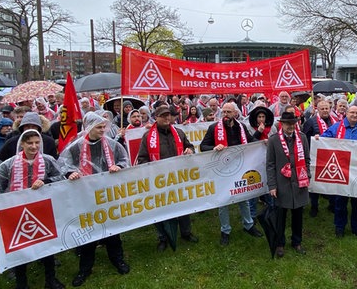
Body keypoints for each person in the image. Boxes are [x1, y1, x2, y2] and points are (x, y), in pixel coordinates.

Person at [0, 130, 65, 289]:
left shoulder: (47, 161)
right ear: (22, 144)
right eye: (29, 143)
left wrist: (45, 181)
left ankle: (51, 279)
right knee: (20, 248)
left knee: (47, 243)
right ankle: (21, 283)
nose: (34, 146)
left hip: (42, 209)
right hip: (17, 211)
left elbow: (61, 178)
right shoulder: (10, 164)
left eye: (36, 142)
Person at [59, 112, 130, 287]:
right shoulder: (75, 147)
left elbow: (124, 159)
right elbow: (63, 164)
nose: (103, 130)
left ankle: (118, 259)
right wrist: (70, 173)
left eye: (104, 126)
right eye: (99, 127)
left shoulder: (112, 144)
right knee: (88, 232)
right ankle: (85, 268)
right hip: (85, 195)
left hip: (107, 194)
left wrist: (118, 166)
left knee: (112, 229)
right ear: (89, 127)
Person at [136, 106, 199, 252]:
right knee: (161, 210)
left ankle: (186, 232)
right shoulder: (147, 137)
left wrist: (190, 149)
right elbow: (142, 159)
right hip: (159, 181)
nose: (166, 118)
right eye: (163, 116)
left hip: (179, 178)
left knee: (184, 207)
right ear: (156, 118)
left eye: (168, 116)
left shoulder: (179, 132)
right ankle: (163, 238)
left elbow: (189, 146)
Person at [199, 102, 263, 245]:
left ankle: (249, 225)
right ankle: (225, 230)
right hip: (222, 169)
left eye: (229, 112)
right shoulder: (214, 128)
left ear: (235, 113)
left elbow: (251, 141)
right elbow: (203, 146)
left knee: (243, 197)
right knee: (223, 201)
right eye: (224, 112)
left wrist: (261, 142)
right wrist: (215, 147)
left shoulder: (241, 126)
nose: (226, 115)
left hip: (240, 168)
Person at [320, 105, 357, 239]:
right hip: (341, 169)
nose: (355, 115)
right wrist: (317, 138)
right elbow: (323, 139)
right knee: (340, 201)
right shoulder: (336, 127)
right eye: (352, 113)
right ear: (346, 114)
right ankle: (340, 227)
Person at [266, 112, 310, 257]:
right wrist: (272, 185)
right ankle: (280, 243)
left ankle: (297, 242)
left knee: (298, 215)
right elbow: (270, 165)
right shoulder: (273, 140)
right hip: (282, 184)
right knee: (281, 216)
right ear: (282, 124)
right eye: (288, 123)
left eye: (293, 123)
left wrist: (306, 175)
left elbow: (307, 159)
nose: (291, 126)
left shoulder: (302, 138)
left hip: (299, 183)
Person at [302, 100, 337, 217]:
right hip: (315, 157)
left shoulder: (335, 122)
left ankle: (332, 205)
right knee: (315, 182)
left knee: (333, 180)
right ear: (317, 109)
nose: (325, 111)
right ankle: (314, 206)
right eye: (322, 109)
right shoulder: (310, 122)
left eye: (327, 108)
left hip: (331, 156)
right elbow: (305, 140)